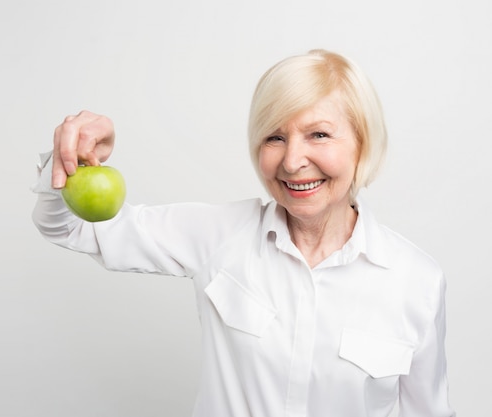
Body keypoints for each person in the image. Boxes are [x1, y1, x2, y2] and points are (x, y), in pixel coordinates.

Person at [32, 49, 455, 417]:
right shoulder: (219, 235)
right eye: (275, 137)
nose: (291, 162)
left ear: (363, 144)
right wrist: (73, 159)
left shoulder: (416, 281)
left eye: (319, 135)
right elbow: (66, 226)